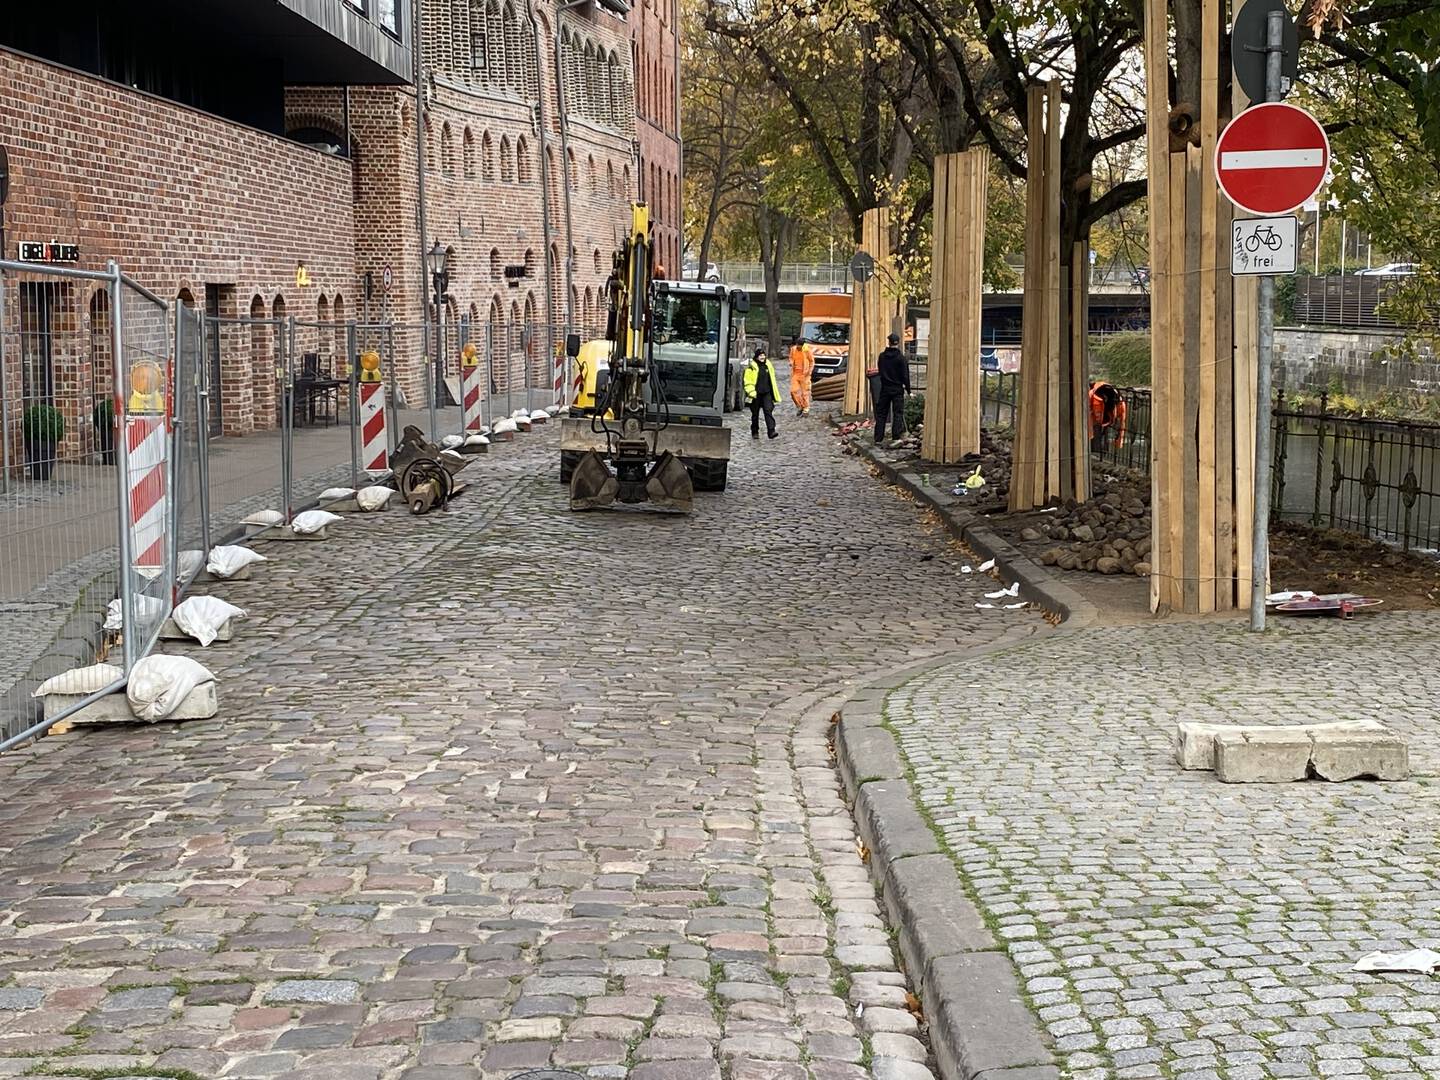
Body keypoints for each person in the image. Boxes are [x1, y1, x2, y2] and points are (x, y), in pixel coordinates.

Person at [874, 332, 910, 444]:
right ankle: (896, 436)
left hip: (885, 388)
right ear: (898, 343)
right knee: (898, 413)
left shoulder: (882, 357)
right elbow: (905, 375)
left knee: (881, 414)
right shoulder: (901, 358)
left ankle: (878, 437)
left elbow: (880, 371)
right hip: (897, 389)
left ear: (889, 343)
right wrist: (909, 390)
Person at [743, 346, 781, 440]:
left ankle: (771, 431)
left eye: (763, 355)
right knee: (755, 414)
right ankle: (755, 431)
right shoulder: (751, 368)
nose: (762, 357)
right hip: (755, 394)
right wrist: (751, 392)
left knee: (768, 411)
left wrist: (773, 393)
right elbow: (747, 381)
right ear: (756, 357)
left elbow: (772, 379)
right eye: (760, 356)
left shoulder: (768, 365)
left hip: (766, 393)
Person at [788, 336, 815, 417]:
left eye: (800, 345)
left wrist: (809, 371)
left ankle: (806, 409)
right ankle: (800, 406)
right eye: (797, 345)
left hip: (805, 375)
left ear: (803, 345)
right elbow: (791, 358)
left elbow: (811, 361)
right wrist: (791, 362)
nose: (798, 346)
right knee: (793, 391)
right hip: (795, 373)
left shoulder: (807, 351)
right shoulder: (793, 349)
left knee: (805, 393)